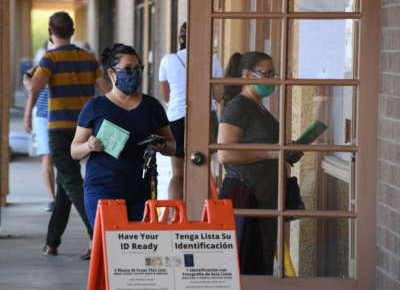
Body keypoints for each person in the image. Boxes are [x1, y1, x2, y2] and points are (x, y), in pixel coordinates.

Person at [23, 11, 110, 258]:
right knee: (65, 184)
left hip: (60, 130)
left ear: (50, 33)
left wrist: (27, 78)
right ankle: (52, 241)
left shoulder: (49, 59)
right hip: (85, 128)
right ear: (73, 31)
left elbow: (34, 88)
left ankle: (97, 235)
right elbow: (105, 91)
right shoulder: (89, 58)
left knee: (72, 181)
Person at [71, 43, 176, 228]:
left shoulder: (152, 106)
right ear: (112, 74)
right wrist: (89, 146)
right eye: (127, 69)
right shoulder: (95, 107)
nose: (134, 74)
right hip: (102, 188)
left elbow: (173, 147)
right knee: (109, 245)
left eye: (138, 68)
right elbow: (74, 150)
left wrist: (162, 146)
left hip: (141, 189)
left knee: (137, 248)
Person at [217, 52, 302, 275]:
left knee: (262, 263)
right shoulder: (238, 107)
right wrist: (272, 153)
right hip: (246, 196)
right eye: (267, 74)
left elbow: (270, 148)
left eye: (274, 74)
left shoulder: (260, 108)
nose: (272, 79)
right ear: (247, 75)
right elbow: (225, 154)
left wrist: (286, 151)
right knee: (245, 266)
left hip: (265, 197)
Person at [159, 22, 223, 200]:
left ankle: (175, 215)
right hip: (205, 118)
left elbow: (166, 96)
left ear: (181, 39)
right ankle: (203, 213)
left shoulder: (168, 60)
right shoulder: (212, 59)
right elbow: (219, 95)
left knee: (178, 173)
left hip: (177, 118)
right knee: (204, 168)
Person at [24, 40, 56, 212]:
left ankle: (63, 198)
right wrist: (28, 115)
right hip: (44, 116)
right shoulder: (42, 62)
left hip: (63, 115)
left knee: (62, 159)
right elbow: (33, 91)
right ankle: (53, 198)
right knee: (47, 157)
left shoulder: (64, 61)